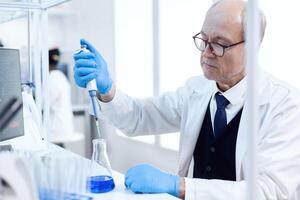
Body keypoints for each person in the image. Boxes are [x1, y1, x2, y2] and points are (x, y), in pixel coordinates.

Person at [73, 0, 300, 199]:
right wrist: (107, 89)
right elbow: (139, 118)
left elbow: (270, 192)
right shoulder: (196, 90)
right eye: (204, 39)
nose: (206, 52)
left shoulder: (284, 106)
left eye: (219, 44)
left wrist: (179, 186)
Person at [48, 48, 74, 145]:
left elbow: (44, 103)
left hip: (56, 126)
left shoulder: (51, 79)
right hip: (63, 123)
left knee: (56, 151)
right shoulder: (61, 76)